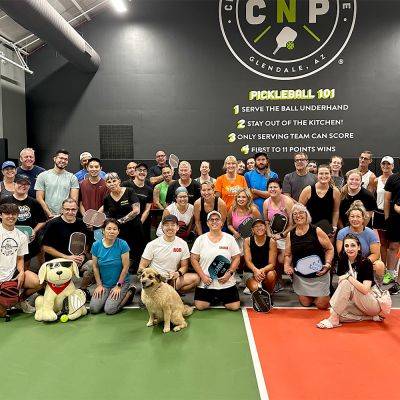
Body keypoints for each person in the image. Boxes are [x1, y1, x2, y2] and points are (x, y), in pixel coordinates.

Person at [317, 234, 383, 329]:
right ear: (343, 248)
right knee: (335, 311)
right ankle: (367, 318)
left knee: (346, 283)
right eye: (346, 246)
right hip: (356, 302)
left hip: (371, 303)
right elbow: (342, 287)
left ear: (358, 247)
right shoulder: (342, 262)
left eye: (353, 245)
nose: (349, 249)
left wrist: (348, 277)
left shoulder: (366, 263)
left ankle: (333, 320)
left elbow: (365, 290)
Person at [284, 204, 334, 309]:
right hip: (301, 277)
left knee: (322, 305)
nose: (298, 216)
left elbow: (330, 249)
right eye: (295, 214)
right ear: (292, 218)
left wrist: (328, 263)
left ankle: (325, 294)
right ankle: (313, 295)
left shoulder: (316, 230)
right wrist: (286, 266)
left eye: (301, 212)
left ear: (307, 214)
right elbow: (288, 254)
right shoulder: (290, 234)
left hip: (319, 274)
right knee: (305, 303)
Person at [41, 198, 93, 296]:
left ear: (77, 210)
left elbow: (87, 243)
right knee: (59, 295)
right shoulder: (53, 224)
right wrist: (67, 257)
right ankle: (49, 286)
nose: (70, 212)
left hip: (76, 259)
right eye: (67, 209)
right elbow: (46, 247)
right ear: (62, 210)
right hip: (57, 262)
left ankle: (83, 289)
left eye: (73, 209)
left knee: (92, 264)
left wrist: (83, 255)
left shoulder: (81, 223)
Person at [191, 211, 241, 311]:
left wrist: (229, 274)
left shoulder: (230, 238)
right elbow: (194, 259)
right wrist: (203, 276)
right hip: (206, 282)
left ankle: (219, 296)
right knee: (201, 306)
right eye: (211, 220)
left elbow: (237, 258)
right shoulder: (200, 239)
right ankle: (214, 297)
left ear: (222, 223)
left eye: (217, 219)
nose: (214, 222)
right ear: (207, 223)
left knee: (234, 307)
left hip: (226, 281)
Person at [139, 214, 200, 294]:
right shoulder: (152, 244)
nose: (170, 228)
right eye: (166, 225)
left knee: (196, 278)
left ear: (177, 227)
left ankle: (174, 293)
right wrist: (151, 278)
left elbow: (184, 266)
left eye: (173, 225)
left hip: (172, 279)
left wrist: (178, 273)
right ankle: (151, 292)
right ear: (162, 228)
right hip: (156, 279)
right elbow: (141, 267)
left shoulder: (183, 244)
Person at [0, 203, 41, 315]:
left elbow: (20, 259)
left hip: (13, 274)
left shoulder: (21, 236)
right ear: (1, 215)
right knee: (2, 313)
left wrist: (22, 272)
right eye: (7, 214)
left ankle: (19, 301)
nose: (11, 216)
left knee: (38, 282)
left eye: (14, 214)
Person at [0, 174, 47, 269]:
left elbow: (42, 221)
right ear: (14, 184)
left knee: (25, 265)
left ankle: (23, 280)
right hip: (8, 238)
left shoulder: (34, 202)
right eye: (20, 183)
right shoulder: (5, 201)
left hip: (27, 238)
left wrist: (34, 230)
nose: (23, 186)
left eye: (26, 184)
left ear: (29, 186)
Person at [90, 218, 135, 315]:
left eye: (115, 229)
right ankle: (108, 295)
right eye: (109, 228)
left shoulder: (123, 244)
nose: (111, 231)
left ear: (118, 232)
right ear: (103, 230)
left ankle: (130, 292)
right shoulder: (96, 245)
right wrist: (99, 285)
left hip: (120, 283)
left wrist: (118, 286)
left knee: (109, 310)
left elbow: (126, 267)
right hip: (105, 284)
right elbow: (95, 267)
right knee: (94, 309)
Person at [102, 172, 144, 270]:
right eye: (108, 182)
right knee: (122, 251)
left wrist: (120, 221)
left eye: (114, 181)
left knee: (137, 250)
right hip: (120, 231)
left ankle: (139, 271)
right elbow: (108, 215)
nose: (112, 184)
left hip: (135, 227)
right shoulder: (107, 198)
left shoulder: (129, 191)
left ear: (119, 181)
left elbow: (136, 210)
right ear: (106, 184)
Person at [336, 200, 385, 283]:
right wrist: (354, 263)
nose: (355, 219)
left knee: (379, 265)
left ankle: (376, 289)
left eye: (358, 216)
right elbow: (341, 253)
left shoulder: (370, 233)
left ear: (363, 218)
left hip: (366, 262)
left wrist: (363, 263)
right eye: (352, 216)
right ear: (348, 218)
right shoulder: (342, 233)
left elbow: (376, 254)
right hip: (349, 262)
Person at [263, 178, 294, 291]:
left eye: (275, 187)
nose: (273, 189)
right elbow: (266, 221)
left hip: (287, 236)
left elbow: (293, 224)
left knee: (282, 260)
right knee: (273, 259)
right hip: (273, 236)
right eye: (270, 187)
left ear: (280, 189)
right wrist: (269, 234)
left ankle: (295, 277)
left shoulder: (288, 202)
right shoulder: (267, 203)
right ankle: (278, 280)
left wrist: (282, 235)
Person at [34, 149, 79, 219]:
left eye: (65, 159)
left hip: (65, 218)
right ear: (55, 159)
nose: (63, 161)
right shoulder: (42, 176)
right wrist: (49, 214)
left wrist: (62, 215)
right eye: (61, 158)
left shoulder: (72, 178)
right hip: (47, 217)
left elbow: (74, 199)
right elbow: (39, 198)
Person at [299, 164, 341, 239]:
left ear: (330, 174)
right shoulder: (307, 190)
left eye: (326, 173)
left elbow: (336, 211)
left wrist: (334, 226)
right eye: (321, 173)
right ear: (316, 175)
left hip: (328, 229)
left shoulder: (335, 191)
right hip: (310, 228)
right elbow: (300, 210)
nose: (324, 176)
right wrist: (303, 226)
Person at [244, 219, 277, 295]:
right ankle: (255, 288)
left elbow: (272, 264)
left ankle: (268, 294)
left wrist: (260, 271)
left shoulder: (271, 241)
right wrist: (255, 271)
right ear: (252, 230)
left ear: (265, 227)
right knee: (255, 288)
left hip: (266, 271)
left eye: (261, 225)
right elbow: (248, 261)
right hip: (250, 271)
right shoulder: (247, 241)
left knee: (271, 275)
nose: (259, 228)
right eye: (256, 226)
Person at [122, 162, 153, 243]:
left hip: (143, 223)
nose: (142, 172)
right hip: (127, 223)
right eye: (140, 170)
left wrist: (139, 223)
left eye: (144, 170)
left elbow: (147, 209)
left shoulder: (149, 190)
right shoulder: (126, 184)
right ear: (135, 172)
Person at [372, 156, 394, 270]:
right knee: (383, 243)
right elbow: (371, 196)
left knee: (393, 244)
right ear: (380, 165)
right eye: (383, 164)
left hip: (393, 214)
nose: (385, 166)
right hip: (379, 214)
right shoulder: (376, 180)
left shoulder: (396, 179)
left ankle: (392, 269)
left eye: (388, 164)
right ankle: (384, 268)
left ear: (393, 166)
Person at [227, 188, 261, 256]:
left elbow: (260, 227)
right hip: (237, 238)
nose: (241, 199)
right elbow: (229, 224)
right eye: (239, 197)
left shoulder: (253, 210)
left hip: (252, 239)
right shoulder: (232, 209)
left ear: (248, 199)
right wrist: (235, 232)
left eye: (243, 197)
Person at [244, 152, 278, 217]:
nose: (261, 162)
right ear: (255, 161)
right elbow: (248, 196)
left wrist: (255, 191)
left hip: (270, 210)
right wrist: (266, 194)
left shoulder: (273, 175)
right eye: (258, 160)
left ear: (267, 161)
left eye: (263, 159)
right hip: (253, 210)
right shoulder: (248, 175)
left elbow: (274, 194)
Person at [383, 166, 400, 294]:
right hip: (395, 219)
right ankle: (390, 275)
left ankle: (399, 283)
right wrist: (387, 218)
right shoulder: (393, 178)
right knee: (393, 246)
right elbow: (387, 199)